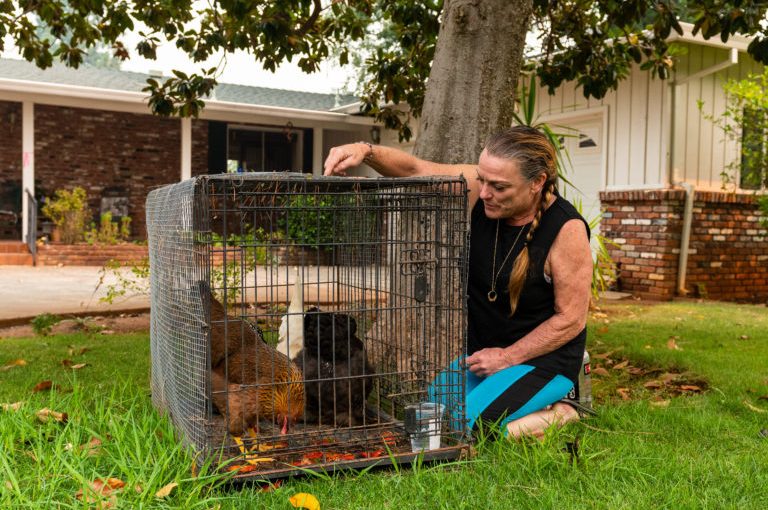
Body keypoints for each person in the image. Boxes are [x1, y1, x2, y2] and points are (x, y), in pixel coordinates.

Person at [323, 126, 592, 439]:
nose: (485, 192)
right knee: (438, 408)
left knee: (473, 426)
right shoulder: (482, 192)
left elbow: (571, 319)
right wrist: (365, 150)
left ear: (537, 182)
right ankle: (525, 407)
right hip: (487, 354)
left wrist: (507, 358)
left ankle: (565, 410)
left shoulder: (566, 230)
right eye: (482, 179)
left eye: (500, 187)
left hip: (543, 361)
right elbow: (415, 169)